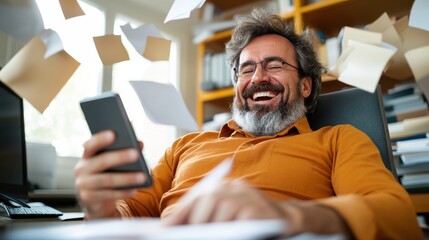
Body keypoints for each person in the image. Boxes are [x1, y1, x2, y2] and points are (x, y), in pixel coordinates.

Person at [74, 8, 422, 239]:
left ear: (305, 85)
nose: (258, 78)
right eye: (246, 68)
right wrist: (100, 208)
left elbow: (397, 216)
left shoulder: (338, 140)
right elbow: (131, 212)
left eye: (273, 66)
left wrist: (289, 216)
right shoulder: (185, 146)